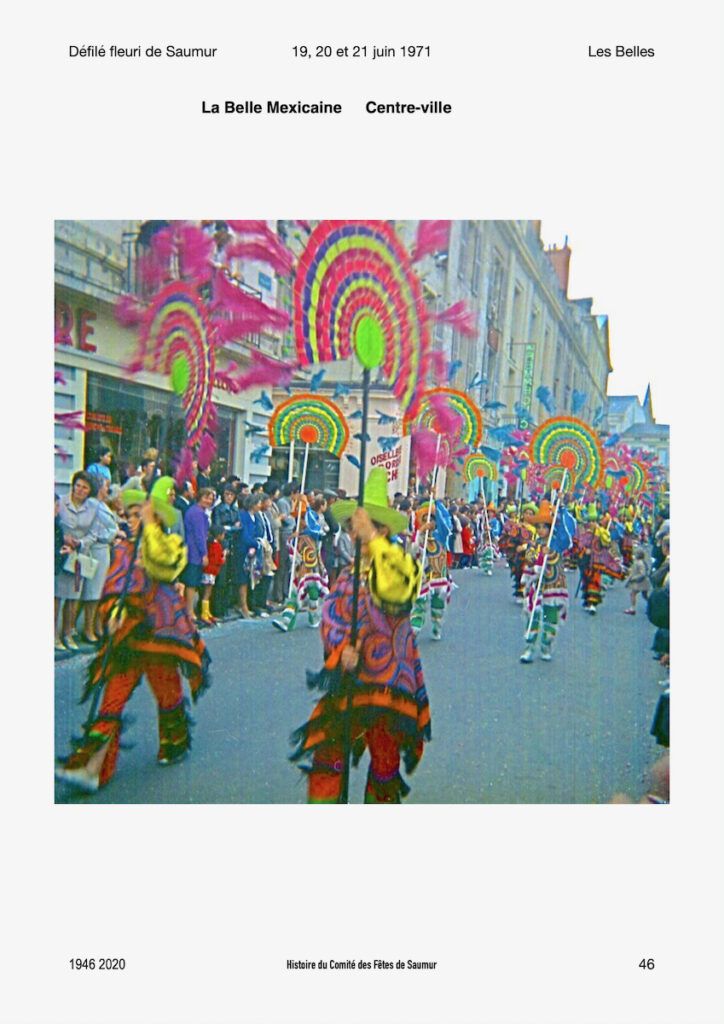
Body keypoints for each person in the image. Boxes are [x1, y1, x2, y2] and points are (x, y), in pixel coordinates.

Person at [55, 479, 210, 792]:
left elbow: (168, 568)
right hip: (128, 635)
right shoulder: (124, 548)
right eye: (131, 514)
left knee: (167, 692)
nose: (132, 519)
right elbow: (114, 585)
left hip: (160, 634)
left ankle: (174, 744)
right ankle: (93, 767)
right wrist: (112, 612)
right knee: (112, 696)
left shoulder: (166, 545)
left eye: (139, 514)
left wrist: (150, 535)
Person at [290, 468, 430, 803]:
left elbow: (397, 596)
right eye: (355, 526)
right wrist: (340, 650)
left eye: (363, 525)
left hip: (389, 682)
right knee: (328, 751)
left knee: (384, 760)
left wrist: (376, 542)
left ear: (382, 529)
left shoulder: (402, 565)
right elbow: (332, 617)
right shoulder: (347, 574)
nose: (356, 533)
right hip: (351, 678)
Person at [519, 500, 575, 663]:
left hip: (554, 585)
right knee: (533, 615)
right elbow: (529, 560)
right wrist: (534, 562)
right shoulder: (534, 544)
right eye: (539, 527)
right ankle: (529, 648)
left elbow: (567, 534)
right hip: (537, 585)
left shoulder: (557, 543)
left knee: (551, 617)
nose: (541, 530)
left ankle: (546, 645)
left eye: (545, 527)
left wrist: (562, 511)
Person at [54, 470, 101, 650]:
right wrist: (63, 538)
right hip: (61, 553)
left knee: (74, 597)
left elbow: (94, 534)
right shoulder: (61, 502)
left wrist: (80, 543)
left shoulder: (93, 508)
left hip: (79, 557)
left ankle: (68, 633)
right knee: (57, 596)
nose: (80, 490)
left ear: (89, 491)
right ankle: (54, 636)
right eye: (78, 486)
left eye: (85, 488)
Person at [272, 494, 328, 631]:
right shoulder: (295, 535)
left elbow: (321, 533)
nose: (300, 521)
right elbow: (292, 551)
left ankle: (314, 617)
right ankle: (286, 621)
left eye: (303, 518)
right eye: (299, 518)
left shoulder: (314, 532)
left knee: (313, 595)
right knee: (294, 595)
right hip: (299, 570)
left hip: (314, 569)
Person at [78, 475, 121, 643]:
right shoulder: (92, 504)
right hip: (95, 549)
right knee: (92, 592)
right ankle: (87, 629)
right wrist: (114, 533)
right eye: (105, 486)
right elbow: (104, 529)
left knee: (98, 591)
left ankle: (94, 626)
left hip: (104, 550)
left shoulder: (102, 505)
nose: (107, 490)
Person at [409, 497, 452, 640]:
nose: (429, 522)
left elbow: (446, 527)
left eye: (432, 519)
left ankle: (437, 626)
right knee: (420, 601)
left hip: (440, 576)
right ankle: (415, 627)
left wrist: (437, 504)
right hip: (424, 576)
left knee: (438, 603)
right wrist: (421, 531)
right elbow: (412, 550)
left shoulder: (441, 535)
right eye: (425, 518)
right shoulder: (419, 536)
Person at [180, 487, 215, 621]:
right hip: (194, 551)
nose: (208, 501)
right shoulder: (197, 513)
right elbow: (200, 535)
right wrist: (204, 554)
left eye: (211, 499)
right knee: (191, 583)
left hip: (193, 550)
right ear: (200, 497)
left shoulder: (197, 511)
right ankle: (189, 611)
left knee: (192, 583)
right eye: (206, 497)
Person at [200, 526, 226, 624]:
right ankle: (204, 613)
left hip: (210, 571)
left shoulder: (211, 544)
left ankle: (207, 611)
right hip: (211, 571)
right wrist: (222, 559)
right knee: (207, 592)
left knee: (208, 592)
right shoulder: (216, 545)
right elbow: (215, 559)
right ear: (219, 535)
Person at [624, 545, 651, 615]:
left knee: (633, 594)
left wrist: (634, 578)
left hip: (640, 582)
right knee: (645, 595)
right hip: (644, 581)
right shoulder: (640, 562)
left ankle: (632, 608)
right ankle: (651, 605)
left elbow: (642, 573)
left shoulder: (639, 563)